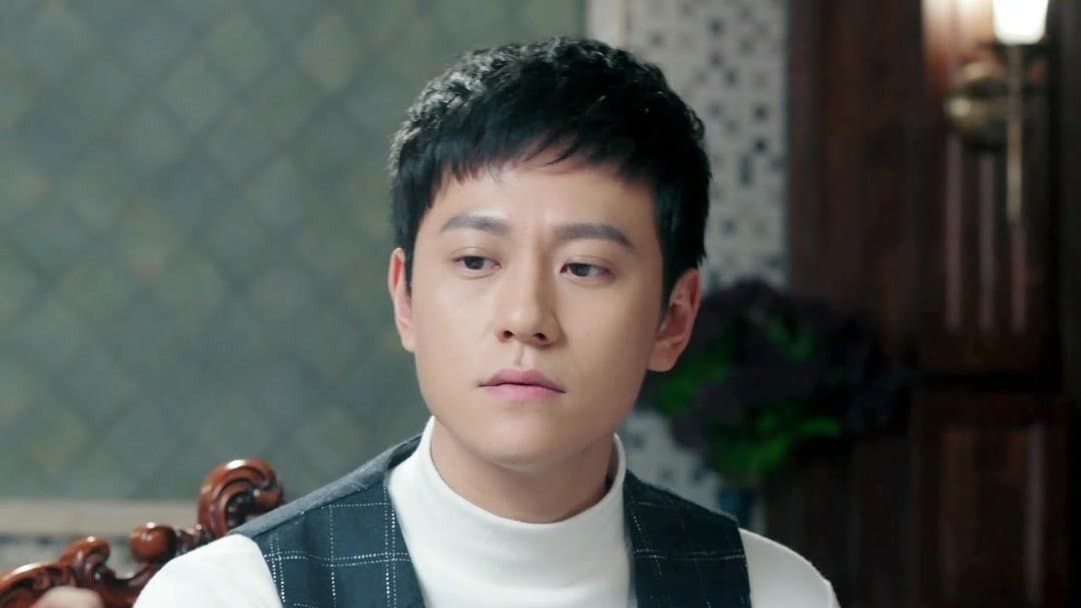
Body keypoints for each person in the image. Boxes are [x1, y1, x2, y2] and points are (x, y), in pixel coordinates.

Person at [45, 37, 839, 607]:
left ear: (672, 319)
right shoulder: (234, 595)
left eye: (584, 268)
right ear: (405, 298)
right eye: (476, 261)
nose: (526, 318)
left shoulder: (772, 594)